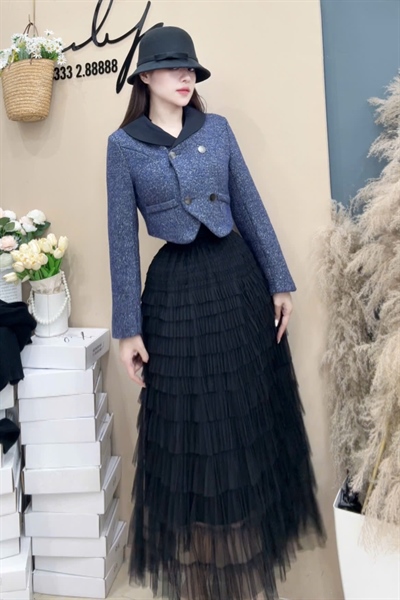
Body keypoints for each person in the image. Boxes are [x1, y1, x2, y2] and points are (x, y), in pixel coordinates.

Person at [107, 25, 325, 600]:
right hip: (174, 297)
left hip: (236, 285)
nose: (186, 77)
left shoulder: (217, 130)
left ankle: (249, 575)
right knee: (194, 436)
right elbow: (121, 240)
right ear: (146, 77)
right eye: (173, 67)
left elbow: (249, 205)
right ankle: (205, 582)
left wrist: (279, 280)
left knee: (242, 425)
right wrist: (128, 328)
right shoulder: (123, 146)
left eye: (191, 69)